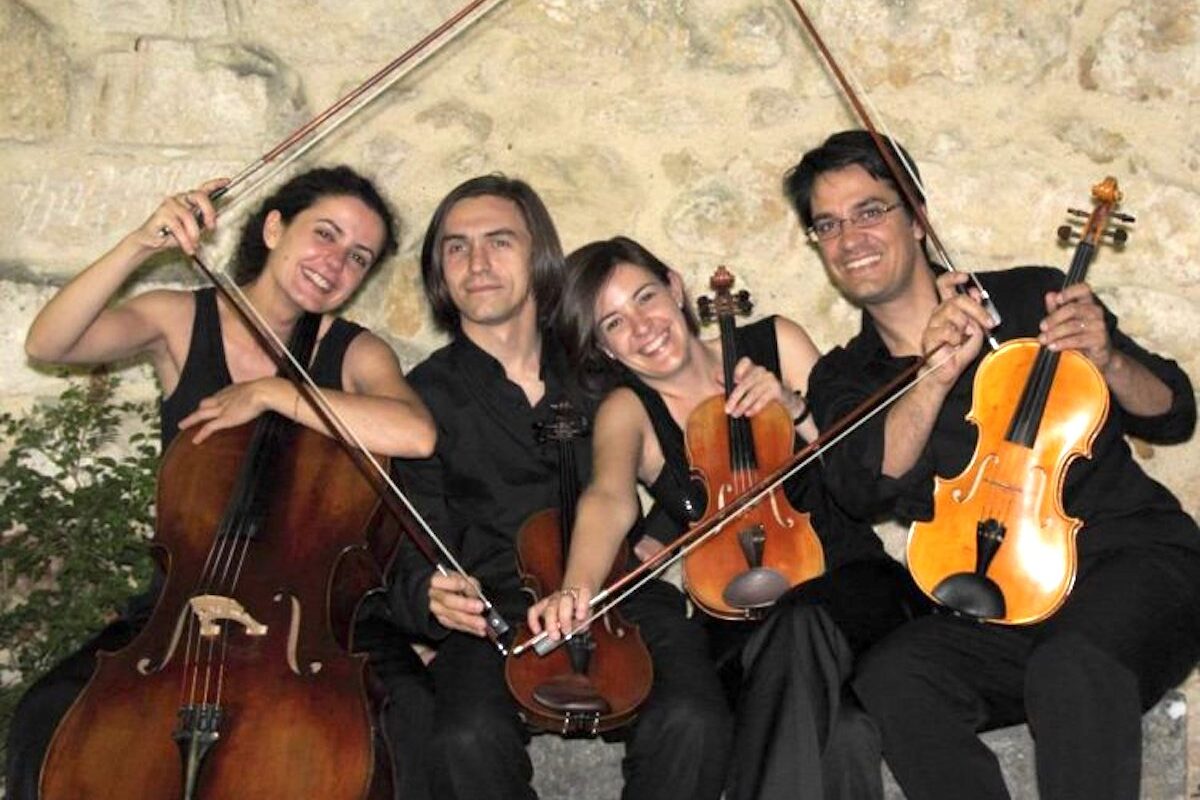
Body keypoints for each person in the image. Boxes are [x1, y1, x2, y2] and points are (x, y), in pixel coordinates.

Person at [786, 129, 1200, 799]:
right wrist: (932, 376)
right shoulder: (844, 377)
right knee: (894, 676)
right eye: (827, 225)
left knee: (1072, 664)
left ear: (917, 219)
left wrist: (1108, 360)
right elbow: (864, 488)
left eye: (869, 211)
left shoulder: (1030, 296)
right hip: (1004, 604)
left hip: (1133, 565)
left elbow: (1172, 412)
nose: (849, 238)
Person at [11, 165, 437, 800]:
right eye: (324, 233)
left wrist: (274, 393)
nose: (335, 263)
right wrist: (139, 244)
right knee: (45, 715)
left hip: (318, 617)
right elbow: (50, 342)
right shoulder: (180, 319)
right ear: (274, 228)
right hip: (184, 605)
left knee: (415, 725)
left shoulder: (355, 351)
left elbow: (416, 434)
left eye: (358, 256)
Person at [529, 235, 928, 800]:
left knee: (798, 624)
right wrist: (577, 587)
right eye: (613, 324)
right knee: (844, 734)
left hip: (853, 591)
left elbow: (864, 471)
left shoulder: (777, 343)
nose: (642, 327)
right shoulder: (628, 410)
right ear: (605, 349)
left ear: (674, 287)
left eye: (646, 297)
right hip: (737, 622)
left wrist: (796, 409)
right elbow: (609, 498)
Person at [389, 175, 732, 800]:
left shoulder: (600, 365)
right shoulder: (423, 397)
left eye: (500, 241)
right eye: (456, 247)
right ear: (438, 270)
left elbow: (685, 468)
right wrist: (427, 598)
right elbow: (412, 534)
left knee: (696, 721)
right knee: (462, 738)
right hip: (496, 616)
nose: (478, 263)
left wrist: (658, 539)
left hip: (623, 599)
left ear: (539, 255)